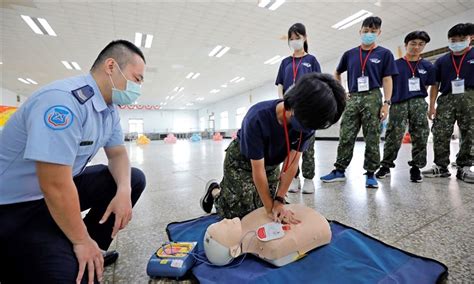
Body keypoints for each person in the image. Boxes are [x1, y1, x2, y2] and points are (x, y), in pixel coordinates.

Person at [0, 40, 147, 283]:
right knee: (71, 278)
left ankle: (93, 250)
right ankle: (79, 245)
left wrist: (123, 190)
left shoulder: (109, 110)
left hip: (54, 192)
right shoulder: (63, 102)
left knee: (134, 178)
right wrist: (80, 240)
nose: (138, 88)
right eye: (137, 78)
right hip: (16, 207)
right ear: (111, 66)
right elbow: (54, 185)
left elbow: (118, 154)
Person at [200, 73, 346, 223]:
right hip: (241, 161)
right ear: (293, 106)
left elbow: (292, 164)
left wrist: (279, 200)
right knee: (238, 215)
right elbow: (257, 169)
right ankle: (214, 192)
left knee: (261, 208)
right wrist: (271, 209)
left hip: (270, 163)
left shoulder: (308, 123)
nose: (308, 130)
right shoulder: (257, 117)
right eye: (308, 126)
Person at [320, 16, 398, 188]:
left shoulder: (385, 54)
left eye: (373, 31)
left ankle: (371, 173)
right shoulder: (350, 54)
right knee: (346, 135)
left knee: (372, 136)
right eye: (365, 31)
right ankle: (339, 170)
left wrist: (387, 103)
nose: (368, 34)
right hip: (353, 97)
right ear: (360, 31)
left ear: (379, 32)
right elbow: (337, 73)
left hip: (373, 96)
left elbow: (387, 79)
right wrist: (342, 93)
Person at [375, 31, 435, 183]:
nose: (416, 47)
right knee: (393, 136)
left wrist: (429, 105)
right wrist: (387, 103)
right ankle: (386, 166)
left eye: (421, 44)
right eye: (413, 43)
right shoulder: (395, 64)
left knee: (421, 135)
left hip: (418, 102)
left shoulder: (427, 65)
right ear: (406, 45)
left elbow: (429, 85)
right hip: (399, 103)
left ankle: (416, 167)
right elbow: (387, 84)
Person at [422, 23, 473, 183]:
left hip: (471, 97)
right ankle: (441, 166)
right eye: (453, 39)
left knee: (470, 132)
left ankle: (464, 166)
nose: (457, 42)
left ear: (470, 39)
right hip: (446, 98)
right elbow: (435, 85)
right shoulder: (442, 60)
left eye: (461, 39)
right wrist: (431, 105)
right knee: (440, 132)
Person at [203, 203, 331, 267]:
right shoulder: (271, 249)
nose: (224, 221)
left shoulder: (246, 220)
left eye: (219, 223)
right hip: (317, 223)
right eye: (223, 228)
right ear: (233, 251)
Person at [275, 23, 322, 194]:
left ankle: (309, 179)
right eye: (292, 39)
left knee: (307, 145)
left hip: (307, 107)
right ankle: (294, 178)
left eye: (298, 38)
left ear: (305, 38)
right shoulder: (285, 62)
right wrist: (281, 102)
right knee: (290, 144)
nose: (295, 41)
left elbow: (319, 84)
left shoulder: (312, 60)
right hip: (289, 108)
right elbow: (280, 83)